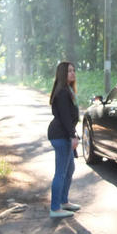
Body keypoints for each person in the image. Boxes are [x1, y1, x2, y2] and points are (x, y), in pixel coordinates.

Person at [47, 61, 81, 218]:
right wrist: (72, 136)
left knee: (69, 169)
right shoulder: (62, 92)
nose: (73, 73)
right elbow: (66, 117)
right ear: (62, 74)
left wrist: (73, 134)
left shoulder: (67, 90)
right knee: (60, 172)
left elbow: (70, 117)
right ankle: (55, 208)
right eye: (69, 71)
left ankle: (63, 201)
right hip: (60, 135)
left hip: (63, 134)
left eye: (73, 70)